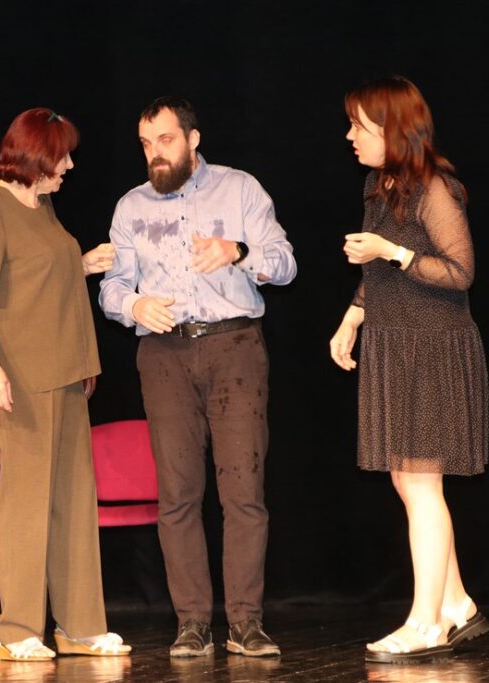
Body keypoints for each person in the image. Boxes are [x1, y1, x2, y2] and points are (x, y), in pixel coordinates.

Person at [99, 96, 296, 658]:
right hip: (164, 355)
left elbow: (285, 264)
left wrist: (238, 251)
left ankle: (245, 623)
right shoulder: (130, 206)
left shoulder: (240, 188)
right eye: (146, 144)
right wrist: (133, 305)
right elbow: (112, 286)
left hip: (234, 348)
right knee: (177, 496)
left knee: (243, 494)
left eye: (165, 140)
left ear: (192, 139)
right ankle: (192, 623)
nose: (155, 154)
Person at [0, 108, 130, 661]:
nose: (69, 166)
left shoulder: (44, 206)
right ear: (36, 156)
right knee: (26, 502)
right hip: (21, 378)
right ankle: (16, 630)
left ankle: (78, 625)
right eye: (62, 156)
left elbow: (34, 275)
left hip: (67, 373)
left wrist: (82, 264)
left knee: (73, 502)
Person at [330, 76, 489, 664]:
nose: (350, 136)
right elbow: (376, 274)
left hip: (434, 349)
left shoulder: (434, 187)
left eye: (360, 126)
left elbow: (460, 272)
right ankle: (457, 604)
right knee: (408, 480)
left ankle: (426, 623)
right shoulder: (379, 185)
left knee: (422, 484)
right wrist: (353, 316)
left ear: (392, 128)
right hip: (394, 345)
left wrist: (393, 251)